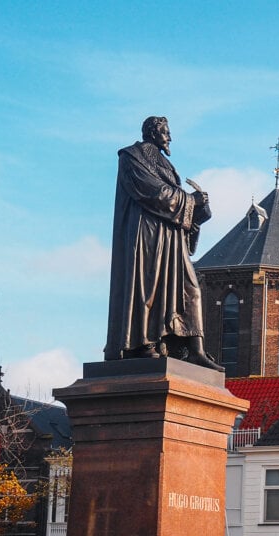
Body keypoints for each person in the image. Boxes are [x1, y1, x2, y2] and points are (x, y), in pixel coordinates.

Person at [104, 116, 222, 370]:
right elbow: (151, 191)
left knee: (190, 289)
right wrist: (190, 200)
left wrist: (200, 207)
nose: (170, 138)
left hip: (172, 238)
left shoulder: (164, 163)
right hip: (147, 236)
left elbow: (173, 200)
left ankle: (195, 350)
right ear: (153, 133)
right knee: (148, 287)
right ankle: (144, 342)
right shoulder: (131, 157)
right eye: (166, 132)